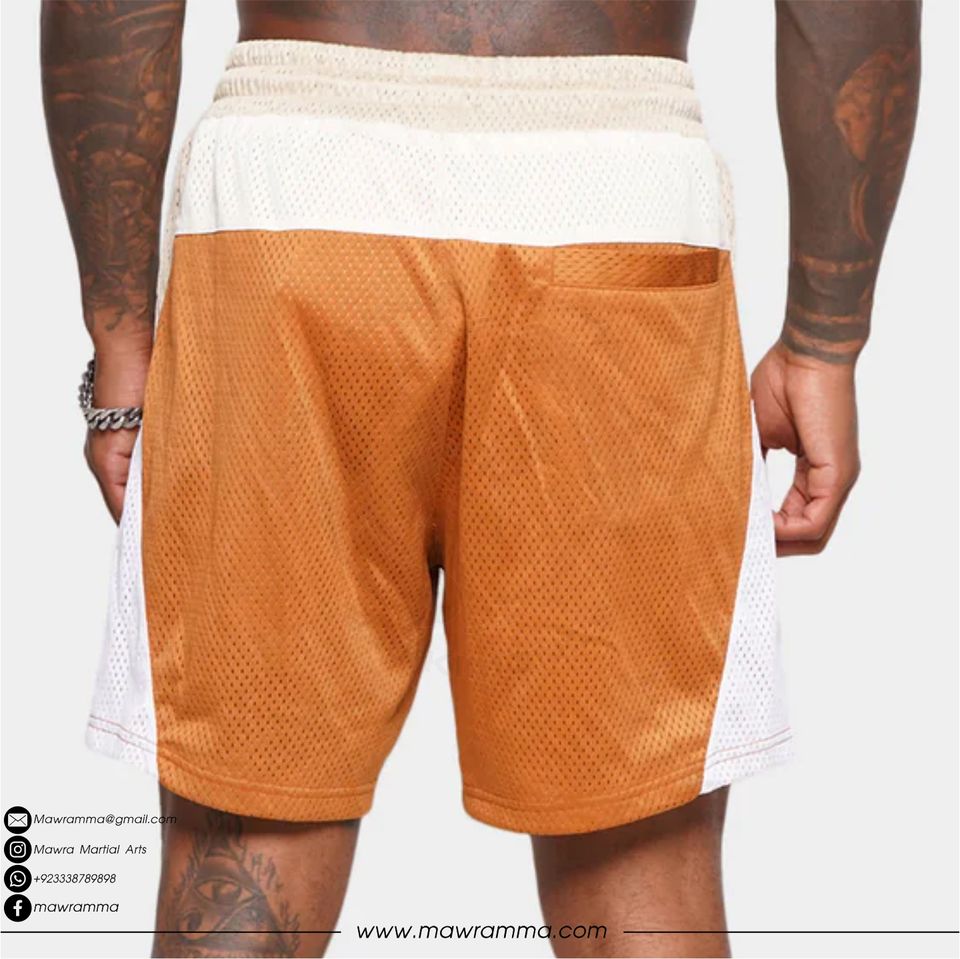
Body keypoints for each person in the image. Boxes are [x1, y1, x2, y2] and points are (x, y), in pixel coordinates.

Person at [42, 2, 920, 956]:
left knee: (244, 851)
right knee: (640, 858)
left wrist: (121, 335)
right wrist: (825, 339)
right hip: (615, 205)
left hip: (287, 199)